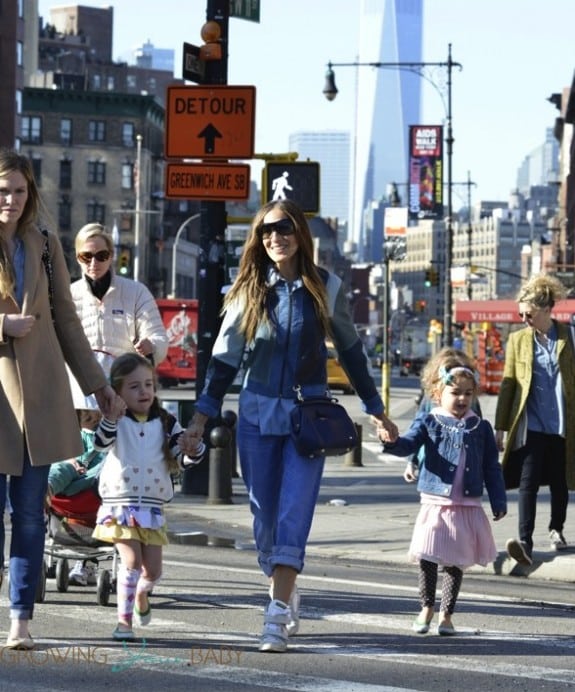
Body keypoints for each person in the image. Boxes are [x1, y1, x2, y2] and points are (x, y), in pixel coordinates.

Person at [183, 199, 398, 653]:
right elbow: (223, 362)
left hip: (308, 418)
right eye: (265, 231)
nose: (274, 237)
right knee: (263, 522)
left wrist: (377, 410)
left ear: (300, 233)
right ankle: (285, 585)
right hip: (257, 417)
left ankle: (276, 616)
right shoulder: (248, 290)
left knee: (292, 516)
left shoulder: (328, 287)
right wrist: (200, 418)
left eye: (283, 228)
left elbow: (352, 353)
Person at [0, 148, 118, 650]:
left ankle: (20, 619)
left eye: (20, 190)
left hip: (43, 396)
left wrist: (99, 385)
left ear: (31, 195)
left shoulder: (45, 244)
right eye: (3, 190)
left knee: (31, 515)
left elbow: (67, 320)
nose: (11, 199)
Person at [378, 350, 507, 636]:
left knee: (456, 562)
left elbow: (491, 467)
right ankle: (426, 607)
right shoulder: (430, 422)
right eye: (455, 393)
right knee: (428, 556)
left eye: (468, 393)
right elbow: (408, 444)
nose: (461, 399)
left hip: (467, 504)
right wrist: (391, 440)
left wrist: (498, 499)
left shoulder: (480, 427)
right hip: (436, 502)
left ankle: (447, 615)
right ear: (437, 393)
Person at [92, 353, 205, 641]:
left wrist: (193, 450)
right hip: (120, 503)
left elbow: (180, 458)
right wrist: (110, 417)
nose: (143, 391)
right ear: (117, 392)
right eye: (134, 387)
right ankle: (124, 623)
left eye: (148, 384)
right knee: (130, 562)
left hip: (153, 507)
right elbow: (101, 445)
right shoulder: (116, 421)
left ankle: (143, 592)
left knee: (152, 571)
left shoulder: (166, 422)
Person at [495, 273, 575, 566]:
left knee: (559, 480)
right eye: (520, 314)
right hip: (532, 424)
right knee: (527, 483)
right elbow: (508, 385)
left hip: (564, 423)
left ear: (545, 310)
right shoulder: (517, 340)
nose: (523, 319)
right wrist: (501, 427)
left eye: (528, 314)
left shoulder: (569, 336)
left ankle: (557, 529)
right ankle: (525, 542)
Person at [68, 222, 169, 408]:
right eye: (86, 256)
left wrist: (151, 346)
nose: (93, 263)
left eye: (101, 256)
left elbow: (159, 338)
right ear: (77, 257)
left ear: (112, 256)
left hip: (125, 397)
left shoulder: (136, 292)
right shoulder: (67, 296)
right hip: (80, 399)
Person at [47, 408, 107, 587]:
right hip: (66, 485)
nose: (94, 419)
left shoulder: (110, 436)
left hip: (92, 484)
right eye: (88, 417)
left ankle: (86, 565)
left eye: (96, 415)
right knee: (61, 467)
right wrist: (70, 460)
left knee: (107, 466)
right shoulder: (69, 435)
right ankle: (47, 488)